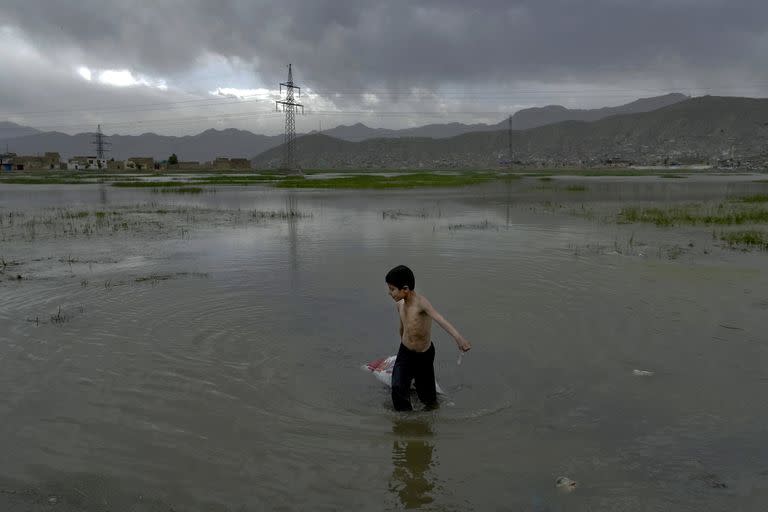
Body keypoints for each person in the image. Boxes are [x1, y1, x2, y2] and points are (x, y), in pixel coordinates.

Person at [385, 265, 471, 411]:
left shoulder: (421, 304)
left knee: (428, 397)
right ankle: (406, 420)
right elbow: (402, 327)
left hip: (423, 355)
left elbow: (440, 319)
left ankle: (427, 407)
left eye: (392, 289)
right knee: (398, 387)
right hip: (405, 352)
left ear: (405, 289)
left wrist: (459, 338)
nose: (389, 293)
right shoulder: (399, 305)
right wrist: (402, 347)